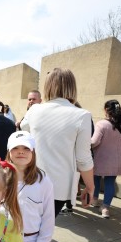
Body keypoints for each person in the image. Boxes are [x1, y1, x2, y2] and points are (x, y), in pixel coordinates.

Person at [21, 68, 94, 217]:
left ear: (47, 87)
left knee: (28, 226)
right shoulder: (82, 115)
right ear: (72, 87)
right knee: (43, 228)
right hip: (59, 187)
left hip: (31, 179)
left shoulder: (34, 110)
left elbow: (24, 128)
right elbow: (83, 158)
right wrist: (90, 186)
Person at [5, 131, 55, 242]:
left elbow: (48, 218)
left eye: (26, 148)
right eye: (16, 148)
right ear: (9, 152)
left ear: (33, 152)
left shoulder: (43, 181)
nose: (21, 152)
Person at [90, 100, 121, 218]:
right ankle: (106, 208)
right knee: (110, 182)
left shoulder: (102, 124)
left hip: (102, 157)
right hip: (118, 159)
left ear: (106, 110)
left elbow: (94, 142)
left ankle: (94, 199)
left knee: (96, 178)